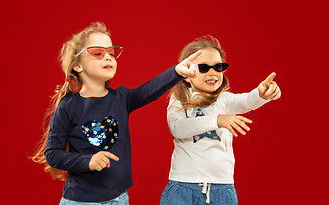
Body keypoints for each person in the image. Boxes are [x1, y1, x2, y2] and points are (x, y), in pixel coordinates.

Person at [30, 22, 201, 205]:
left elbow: (150, 90)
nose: (108, 58)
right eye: (98, 53)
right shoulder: (67, 107)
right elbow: (53, 154)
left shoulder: (122, 98)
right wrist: (88, 161)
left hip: (119, 199)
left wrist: (177, 72)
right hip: (80, 201)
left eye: (111, 53)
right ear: (78, 65)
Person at [160, 35, 281, 205]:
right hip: (183, 186)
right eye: (203, 68)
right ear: (186, 74)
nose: (212, 72)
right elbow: (178, 128)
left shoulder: (224, 100)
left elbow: (246, 101)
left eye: (218, 67)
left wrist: (261, 94)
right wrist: (217, 120)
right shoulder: (179, 99)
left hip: (222, 189)